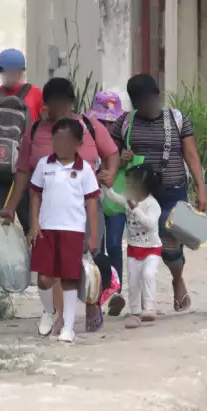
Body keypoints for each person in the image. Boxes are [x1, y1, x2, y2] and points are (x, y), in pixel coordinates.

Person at [0, 77, 119, 332]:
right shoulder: (36, 131)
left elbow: (112, 153)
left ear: (72, 103)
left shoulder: (89, 126)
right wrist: (11, 206)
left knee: (89, 257)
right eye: (53, 104)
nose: (58, 109)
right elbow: (22, 172)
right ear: (46, 104)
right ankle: (58, 315)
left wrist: (111, 173)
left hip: (85, 205)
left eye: (63, 103)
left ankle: (92, 302)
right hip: (47, 210)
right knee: (51, 266)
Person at [111, 74, 207, 313]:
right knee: (140, 240)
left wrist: (201, 187)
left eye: (149, 100)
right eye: (140, 102)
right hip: (140, 192)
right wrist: (121, 159)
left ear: (157, 96)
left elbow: (192, 156)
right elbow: (111, 155)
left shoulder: (177, 120)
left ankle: (177, 280)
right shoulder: (123, 123)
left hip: (172, 189)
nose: (146, 106)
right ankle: (144, 299)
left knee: (169, 242)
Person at [28, 118, 101, 344]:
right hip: (47, 229)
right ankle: (49, 311)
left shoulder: (85, 170)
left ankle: (68, 327)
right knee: (44, 278)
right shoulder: (44, 165)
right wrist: (34, 224)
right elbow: (35, 194)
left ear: (78, 143)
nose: (60, 145)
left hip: (73, 230)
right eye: (56, 139)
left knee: (69, 280)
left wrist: (93, 234)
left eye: (65, 140)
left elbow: (91, 203)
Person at [0, 48, 44, 233]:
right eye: (7, 72)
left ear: (22, 72)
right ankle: (4, 261)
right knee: (0, 225)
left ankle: (34, 261)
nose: (10, 76)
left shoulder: (36, 94)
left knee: (32, 225)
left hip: (28, 172)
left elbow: (44, 130)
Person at [101, 164, 163, 329]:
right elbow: (112, 196)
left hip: (152, 248)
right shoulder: (128, 200)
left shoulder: (152, 205)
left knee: (149, 274)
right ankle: (135, 312)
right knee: (133, 281)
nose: (127, 188)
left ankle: (149, 308)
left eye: (130, 184)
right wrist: (104, 186)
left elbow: (150, 224)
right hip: (134, 249)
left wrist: (135, 209)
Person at [86, 90, 127, 315]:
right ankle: (99, 292)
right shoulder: (86, 138)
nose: (108, 127)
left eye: (112, 122)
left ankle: (116, 291)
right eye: (103, 121)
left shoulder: (126, 138)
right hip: (95, 203)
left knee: (114, 245)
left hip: (117, 201)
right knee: (97, 247)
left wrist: (122, 162)